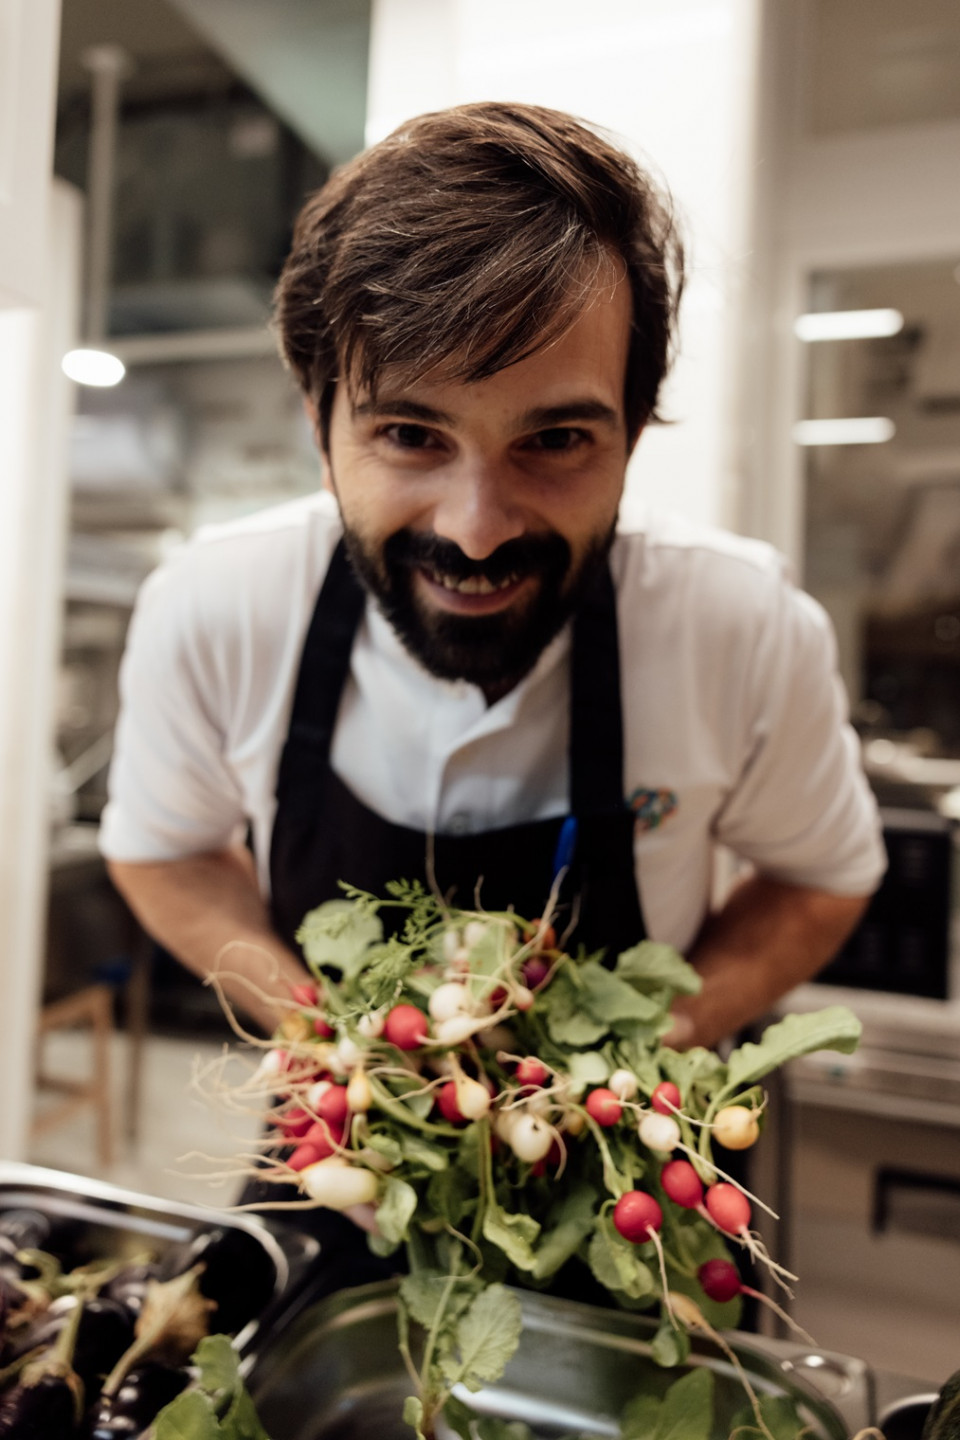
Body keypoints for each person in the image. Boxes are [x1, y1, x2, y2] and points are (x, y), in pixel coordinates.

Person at [103, 100, 884, 1074]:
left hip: (627, 1173)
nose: (476, 529)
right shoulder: (215, 607)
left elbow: (822, 878)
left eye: (554, 441)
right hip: (335, 1145)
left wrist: (653, 1050)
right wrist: (330, 1042)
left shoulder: (743, 628)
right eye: (410, 436)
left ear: (632, 438)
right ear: (322, 433)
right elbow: (161, 852)